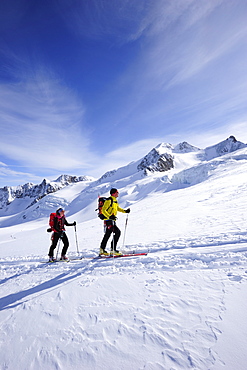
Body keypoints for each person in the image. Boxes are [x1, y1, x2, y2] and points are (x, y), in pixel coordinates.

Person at [99, 188, 130, 256]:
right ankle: (113, 249)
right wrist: (109, 216)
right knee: (117, 232)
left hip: (112, 220)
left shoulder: (115, 200)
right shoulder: (109, 200)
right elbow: (104, 210)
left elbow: (117, 208)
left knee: (107, 234)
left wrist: (125, 211)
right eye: (117, 192)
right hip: (109, 220)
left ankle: (102, 249)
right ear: (114, 193)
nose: (118, 193)